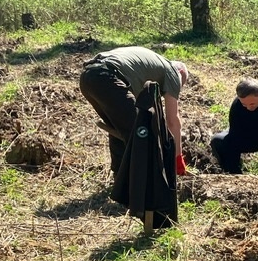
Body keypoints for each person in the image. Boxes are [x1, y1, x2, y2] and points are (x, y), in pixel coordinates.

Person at [79, 46, 189, 177]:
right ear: (180, 72)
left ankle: (120, 178)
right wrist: (177, 158)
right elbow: (173, 121)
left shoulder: (148, 67)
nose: (168, 93)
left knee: (120, 127)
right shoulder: (172, 71)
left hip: (88, 77)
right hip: (107, 77)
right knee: (141, 132)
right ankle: (144, 183)